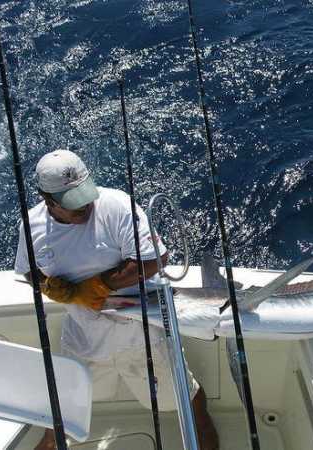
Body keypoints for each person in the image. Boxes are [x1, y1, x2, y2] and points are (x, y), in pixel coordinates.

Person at [14, 149, 219, 450]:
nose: (84, 206)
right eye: (72, 203)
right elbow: (28, 270)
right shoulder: (31, 227)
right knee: (59, 420)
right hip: (83, 336)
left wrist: (97, 287)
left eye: (85, 194)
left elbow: (155, 260)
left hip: (139, 335)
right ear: (49, 200)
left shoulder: (117, 205)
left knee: (188, 401)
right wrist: (47, 286)